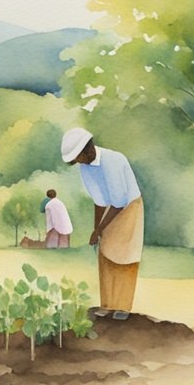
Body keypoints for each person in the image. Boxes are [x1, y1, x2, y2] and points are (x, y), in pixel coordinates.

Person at [61, 127, 143, 321]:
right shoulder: (85, 168)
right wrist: (95, 230)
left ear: (87, 149)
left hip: (129, 207)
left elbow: (119, 201)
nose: (77, 162)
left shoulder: (113, 160)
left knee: (124, 256)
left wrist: (99, 228)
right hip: (111, 209)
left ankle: (122, 306)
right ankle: (108, 304)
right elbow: (99, 201)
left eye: (78, 157)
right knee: (105, 252)